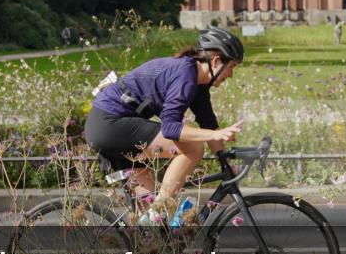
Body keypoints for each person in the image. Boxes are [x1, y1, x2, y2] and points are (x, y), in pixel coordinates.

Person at [84, 28, 245, 225]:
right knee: (194, 149)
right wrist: (214, 135)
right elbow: (170, 128)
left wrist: (224, 162)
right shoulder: (185, 73)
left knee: (152, 221)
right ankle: (160, 208)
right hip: (109, 123)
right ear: (216, 61)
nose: (231, 75)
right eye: (232, 66)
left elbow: (209, 125)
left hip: (111, 127)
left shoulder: (198, 84)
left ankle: (147, 245)